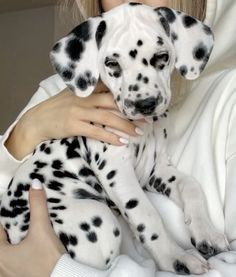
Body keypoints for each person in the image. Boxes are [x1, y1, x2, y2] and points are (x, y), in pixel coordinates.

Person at [0, 0, 236, 276]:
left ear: (182, 43)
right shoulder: (57, 96)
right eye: (114, 65)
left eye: (158, 58)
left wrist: (58, 270)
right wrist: (26, 131)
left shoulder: (227, 98)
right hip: (63, 204)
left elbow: (156, 170)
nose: (144, 95)